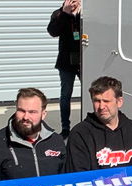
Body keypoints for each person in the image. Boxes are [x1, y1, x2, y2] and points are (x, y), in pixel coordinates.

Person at [47, 0, 81, 139]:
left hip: (84, 60)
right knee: (66, 95)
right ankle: (65, 127)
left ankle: (89, 123)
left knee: (92, 91)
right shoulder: (59, 14)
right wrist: (66, 14)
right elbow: (53, 31)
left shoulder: (87, 14)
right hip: (66, 61)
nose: (73, 3)